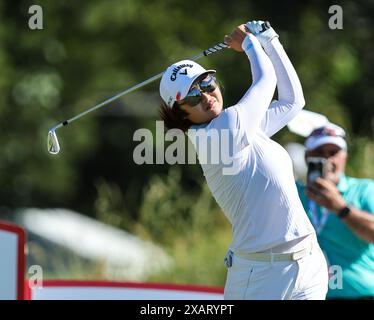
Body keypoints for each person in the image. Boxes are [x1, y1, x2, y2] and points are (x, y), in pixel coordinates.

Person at [159, 20, 328, 300]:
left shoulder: (243, 128)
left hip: (308, 265)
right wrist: (250, 44)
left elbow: (292, 101)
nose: (205, 96)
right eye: (190, 96)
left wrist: (271, 41)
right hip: (260, 278)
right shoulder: (221, 132)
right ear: (181, 114)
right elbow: (266, 81)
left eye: (206, 83)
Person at [296, 123, 374, 299]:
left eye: (333, 153)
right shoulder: (293, 194)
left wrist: (340, 208)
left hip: (359, 294)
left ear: (344, 156)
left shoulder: (364, 190)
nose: (327, 159)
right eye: (319, 153)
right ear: (307, 156)